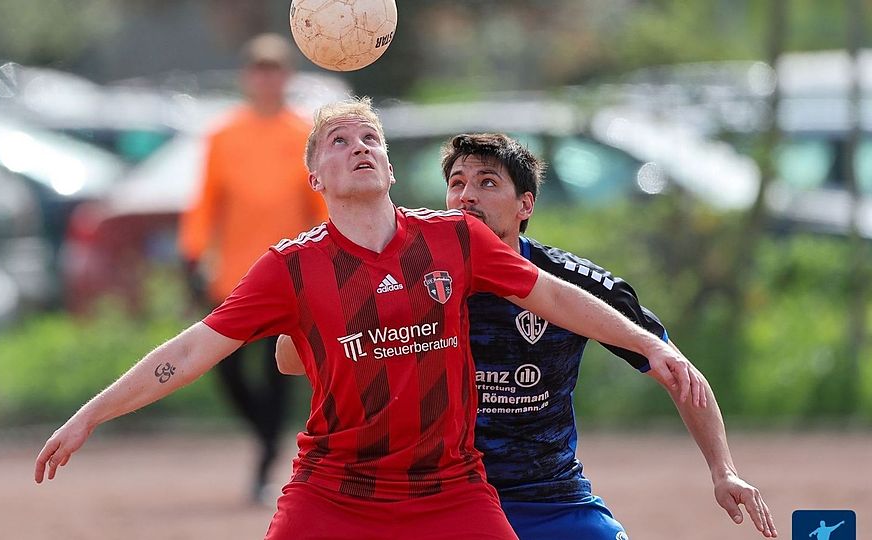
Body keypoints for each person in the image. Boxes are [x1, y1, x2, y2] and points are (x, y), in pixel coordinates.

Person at [35, 98, 706, 540]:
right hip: (335, 494)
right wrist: (91, 412)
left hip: (452, 492)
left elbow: (556, 298)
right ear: (316, 180)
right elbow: (188, 353)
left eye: (369, 138)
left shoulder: (455, 240)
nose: (357, 146)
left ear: (387, 167)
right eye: (336, 141)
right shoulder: (289, 269)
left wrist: (649, 344)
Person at [277, 133, 778, 538]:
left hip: (553, 496)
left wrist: (722, 468)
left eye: (488, 183)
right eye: (457, 182)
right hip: (441, 496)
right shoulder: (414, 274)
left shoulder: (574, 284)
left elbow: (677, 371)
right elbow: (291, 359)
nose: (466, 196)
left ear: (525, 204)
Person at [177, 33, 327, 503]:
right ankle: (266, 435)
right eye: (258, 70)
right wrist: (193, 254)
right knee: (226, 371)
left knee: (279, 370)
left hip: (291, 277)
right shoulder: (224, 136)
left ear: (286, 77)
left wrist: (330, 259)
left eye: (275, 69)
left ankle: (264, 464)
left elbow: (319, 205)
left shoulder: (303, 134)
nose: (267, 79)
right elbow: (206, 203)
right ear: (248, 78)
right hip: (235, 277)